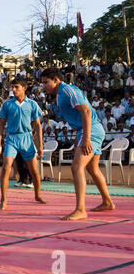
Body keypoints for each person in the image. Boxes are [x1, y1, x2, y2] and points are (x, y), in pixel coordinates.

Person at [40, 68, 115, 221]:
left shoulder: (67, 90)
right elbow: (77, 117)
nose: (43, 86)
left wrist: (86, 138)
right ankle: (107, 202)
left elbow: (86, 112)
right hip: (85, 130)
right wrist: (79, 136)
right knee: (93, 169)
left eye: (46, 82)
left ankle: (81, 209)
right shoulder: (60, 94)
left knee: (77, 167)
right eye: (42, 83)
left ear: (55, 79)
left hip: (91, 130)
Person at [0, 78, 46, 210]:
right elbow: (1, 124)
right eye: (12, 87)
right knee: (6, 167)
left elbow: (38, 126)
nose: (13, 90)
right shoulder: (7, 104)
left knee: (34, 171)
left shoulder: (32, 104)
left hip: (27, 139)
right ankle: (3, 200)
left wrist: (40, 146)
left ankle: (37, 195)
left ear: (24, 88)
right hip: (11, 138)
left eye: (16, 87)